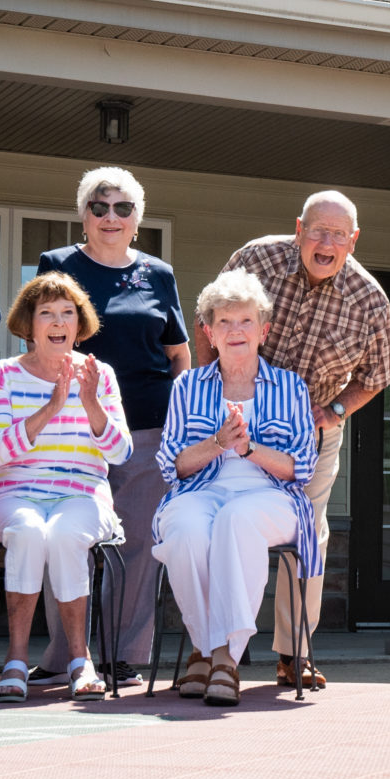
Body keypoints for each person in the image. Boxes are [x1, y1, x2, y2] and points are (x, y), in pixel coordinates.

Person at [217, 191, 390, 688]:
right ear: (299, 229)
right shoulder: (255, 259)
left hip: (309, 433)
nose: (326, 242)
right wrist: (214, 386)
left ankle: (294, 653)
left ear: (353, 240)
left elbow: (378, 375)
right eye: (318, 230)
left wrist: (336, 410)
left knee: (308, 533)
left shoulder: (369, 299)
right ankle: (213, 650)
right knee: (218, 517)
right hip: (237, 417)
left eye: (339, 235)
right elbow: (211, 319)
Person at [36, 167, 190, 684]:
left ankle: (125, 656)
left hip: (148, 426)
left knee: (139, 546)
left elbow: (178, 354)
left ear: (137, 220)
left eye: (122, 208)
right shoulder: (57, 266)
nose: (110, 217)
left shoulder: (158, 274)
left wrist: (182, 419)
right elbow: (41, 338)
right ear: (83, 216)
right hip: (74, 427)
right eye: (99, 207)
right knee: (66, 537)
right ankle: (64, 657)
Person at [153, 271, 318, 708]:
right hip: (201, 492)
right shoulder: (188, 386)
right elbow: (173, 467)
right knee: (186, 529)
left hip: (273, 498)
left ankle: (223, 656)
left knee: (235, 519)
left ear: (263, 330)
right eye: (224, 322)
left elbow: (300, 467)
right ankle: (206, 647)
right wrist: (217, 444)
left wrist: (249, 449)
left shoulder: (290, 386)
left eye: (245, 321)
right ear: (209, 332)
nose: (235, 331)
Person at [0, 274, 132, 702]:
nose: (58, 321)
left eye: (68, 313)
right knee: (28, 530)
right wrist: (51, 407)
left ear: (79, 325)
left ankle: (80, 662)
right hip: (12, 495)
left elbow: (120, 452)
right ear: (28, 325)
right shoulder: (3, 374)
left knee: (64, 533)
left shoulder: (100, 375)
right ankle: (15, 660)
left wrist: (90, 402)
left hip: (82, 495)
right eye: (46, 313)